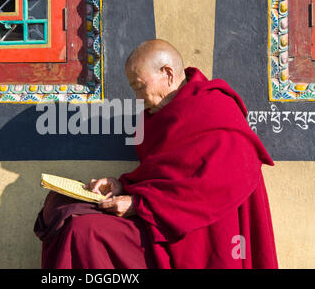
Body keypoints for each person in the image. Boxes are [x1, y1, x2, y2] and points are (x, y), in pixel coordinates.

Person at [34, 39, 278, 269]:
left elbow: (209, 189)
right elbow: (164, 174)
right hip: (160, 216)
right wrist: (123, 186)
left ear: (168, 74)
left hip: (201, 234)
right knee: (63, 211)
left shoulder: (215, 110)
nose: (138, 99)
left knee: (84, 231)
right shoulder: (157, 116)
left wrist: (139, 204)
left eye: (140, 87)